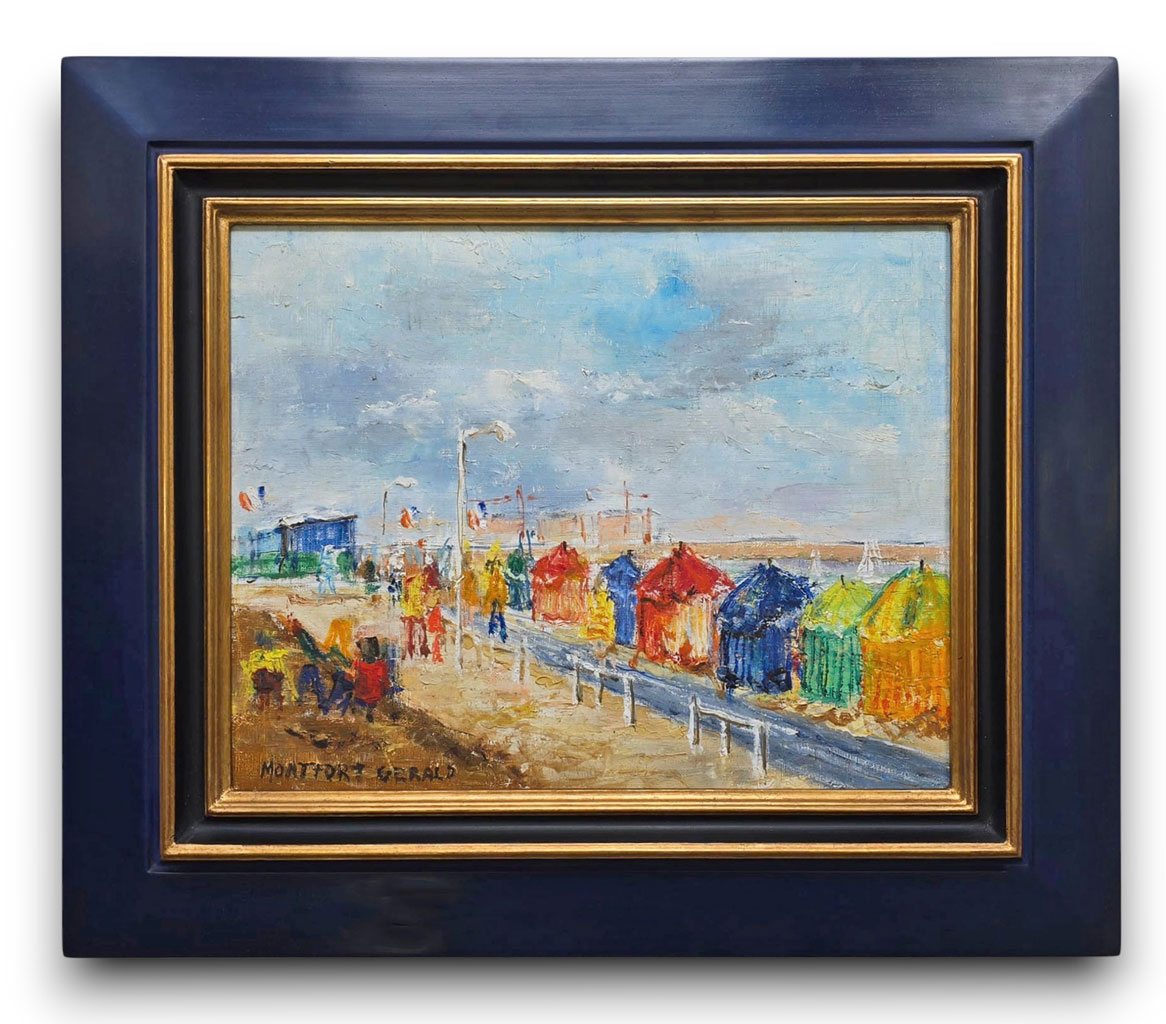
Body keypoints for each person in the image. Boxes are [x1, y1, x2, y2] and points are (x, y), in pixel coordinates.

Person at [351, 636, 389, 722]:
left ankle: (359, 710)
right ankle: (369, 711)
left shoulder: (357, 663)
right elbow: (385, 681)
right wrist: (385, 691)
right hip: (375, 695)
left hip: (360, 694)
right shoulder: (382, 665)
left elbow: (351, 677)